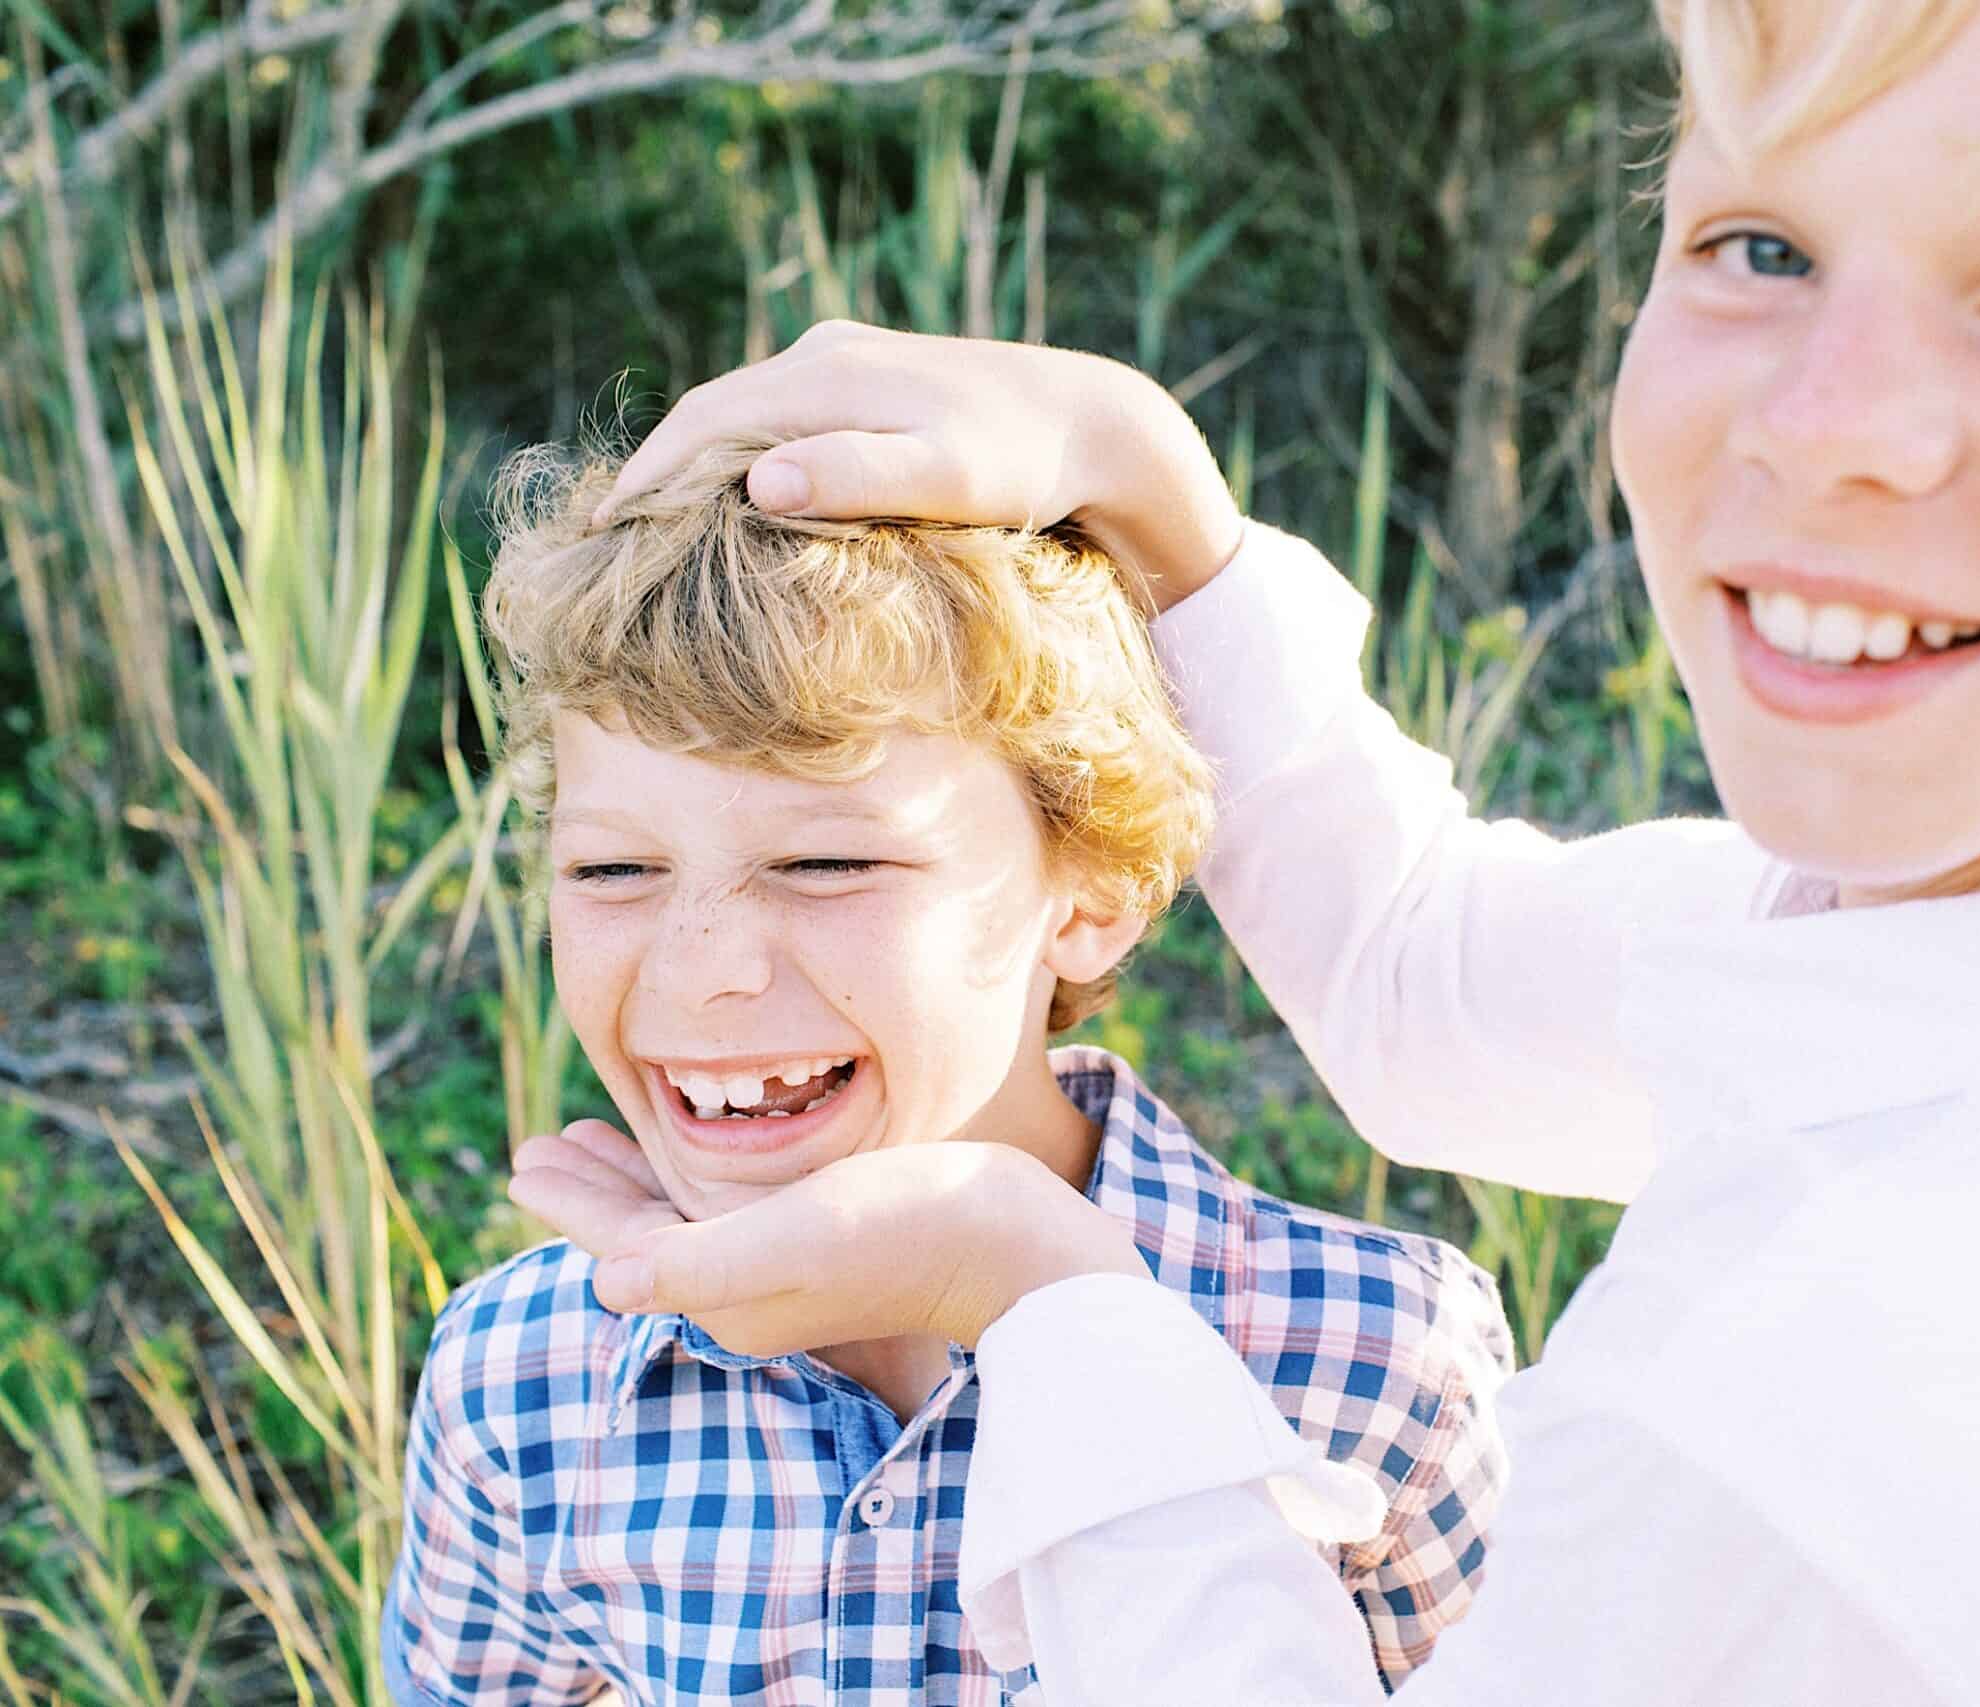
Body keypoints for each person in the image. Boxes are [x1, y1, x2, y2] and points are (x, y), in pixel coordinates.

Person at [511, 0, 1980, 1699]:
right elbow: (1431, 979)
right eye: (1755, 245)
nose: (1829, 421)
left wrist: (1038, 1289)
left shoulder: (1818, 1420)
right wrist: (1154, 491)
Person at [382, 438, 1516, 1705]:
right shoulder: (517, 1381)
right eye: (611, 871)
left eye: (824, 865)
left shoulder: (1377, 1366)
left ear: (1087, 892)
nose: (700, 971)